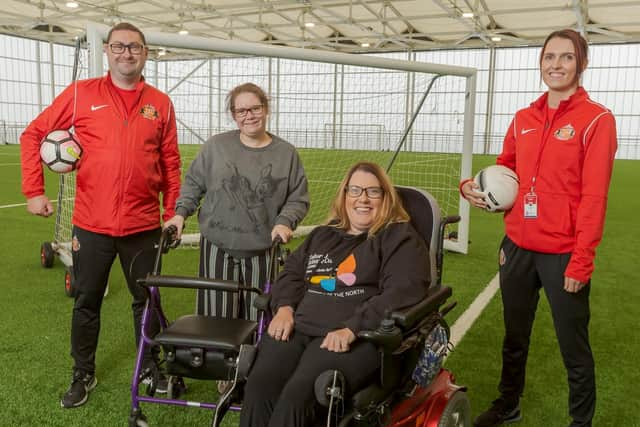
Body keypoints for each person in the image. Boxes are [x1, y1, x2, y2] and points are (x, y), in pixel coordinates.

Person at [20, 22, 181, 408]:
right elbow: (33, 134)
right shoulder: (80, 95)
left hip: (143, 226)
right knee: (86, 300)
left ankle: (150, 366)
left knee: (147, 300)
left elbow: (171, 162)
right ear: (107, 51)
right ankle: (83, 373)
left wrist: (173, 212)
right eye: (120, 47)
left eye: (135, 47)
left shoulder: (160, 103)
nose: (127, 53)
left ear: (145, 53)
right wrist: (34, 191)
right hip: (91, 225)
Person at [460, 29, 617, 427]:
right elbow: (504, 170)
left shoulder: (597, 120)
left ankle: (581, 422)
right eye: (549, 57)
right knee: (515, 338)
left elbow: (594, 198)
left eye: (566, 57)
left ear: (581, 64)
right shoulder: (523, 118)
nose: (556, 65)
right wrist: (470, 187)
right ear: (540, 63)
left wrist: (581, 263)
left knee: (573, 346)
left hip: (563, 254)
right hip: (516, 246)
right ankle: (508, 404)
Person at [239, 161, 430, 427]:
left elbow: (402, 290)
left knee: (299, 394)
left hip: (352, 337)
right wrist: (284, 308)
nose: (363, 198)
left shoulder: (398, 237)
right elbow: (291, 274)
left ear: (386, 198)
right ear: (344, 196)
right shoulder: (323, 234)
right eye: (355, 190)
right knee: (261, 385)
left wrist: (353, 328)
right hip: (297, 327)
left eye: (373, 192)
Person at [164, 82, 309, 322]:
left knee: (259, 318)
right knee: (216, 318)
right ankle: (218, 359)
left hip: (263, 249)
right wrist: (180, 214)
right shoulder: (215, 147)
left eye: (255, 108)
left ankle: (254, 359)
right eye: (242, 111)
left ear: (266, 109)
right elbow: (193, 184)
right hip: (217, 245)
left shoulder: (286, 154)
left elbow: (298, 198)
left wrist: (285, 221)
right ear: (233, 115)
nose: (249, 116)